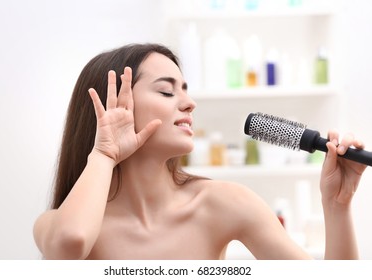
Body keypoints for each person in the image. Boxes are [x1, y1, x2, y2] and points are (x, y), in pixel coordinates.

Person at [33, 43, 367, 260]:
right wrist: (104, 154)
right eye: (166, 92)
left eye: (185, 90)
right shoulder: (59, 224)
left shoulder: (222, 203)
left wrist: (337, 206)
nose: (190, 103)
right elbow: (70, 244)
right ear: (112, 106)